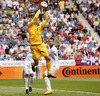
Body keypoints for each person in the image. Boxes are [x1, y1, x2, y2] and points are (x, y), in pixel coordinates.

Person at [28, 3, 54, 78]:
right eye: (38, 20)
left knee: (48, 58)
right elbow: (35, 18)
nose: (39, 21)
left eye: (39, 20)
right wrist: (39, 9)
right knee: (36, 62)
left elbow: (47, 19)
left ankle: (49, 72)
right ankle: (33, 65)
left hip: (40, 45)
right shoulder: (30, 26)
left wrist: (46, 11)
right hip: (33, 47)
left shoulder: (40, 27)